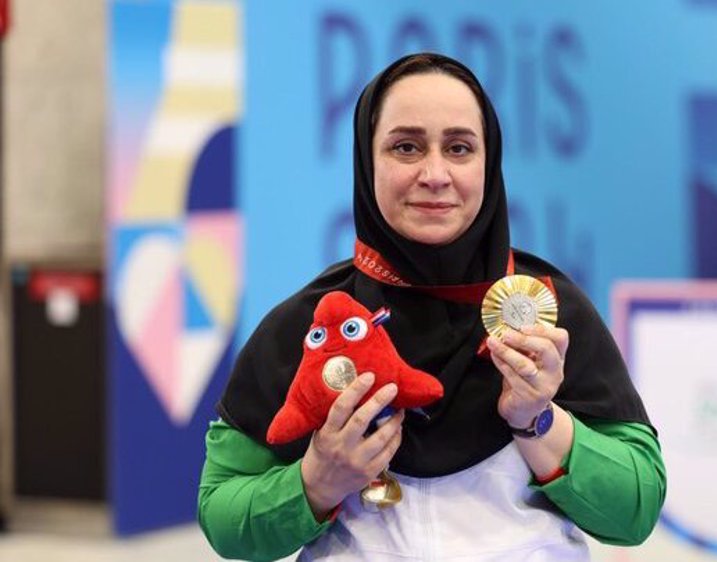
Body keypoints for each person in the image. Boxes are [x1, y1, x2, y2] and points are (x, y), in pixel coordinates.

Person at [198, 52, 666, 561]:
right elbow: (222, 514)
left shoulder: (548, 311)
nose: (435, 173)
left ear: (489, 163)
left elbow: (636, 511)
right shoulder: (313, 324)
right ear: (366, 160)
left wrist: (539, 422)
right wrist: (316, 481)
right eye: (406, 147)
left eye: (460, 147)